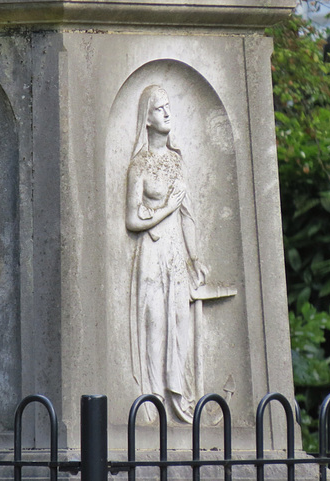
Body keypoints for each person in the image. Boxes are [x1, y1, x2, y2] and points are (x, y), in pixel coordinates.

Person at [125, 84, 207, 423]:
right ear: (147, 118)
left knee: (179, 319)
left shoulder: (176, 161)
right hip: (152, 249)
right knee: (155, 322)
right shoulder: (139, 165)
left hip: (175, 250)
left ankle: (178, 395)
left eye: (169, 106)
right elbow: (131, 219)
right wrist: (164, 211)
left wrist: (195, 257)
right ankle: (154, 397)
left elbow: (186, 214)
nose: (168, 113)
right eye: (160, 108)